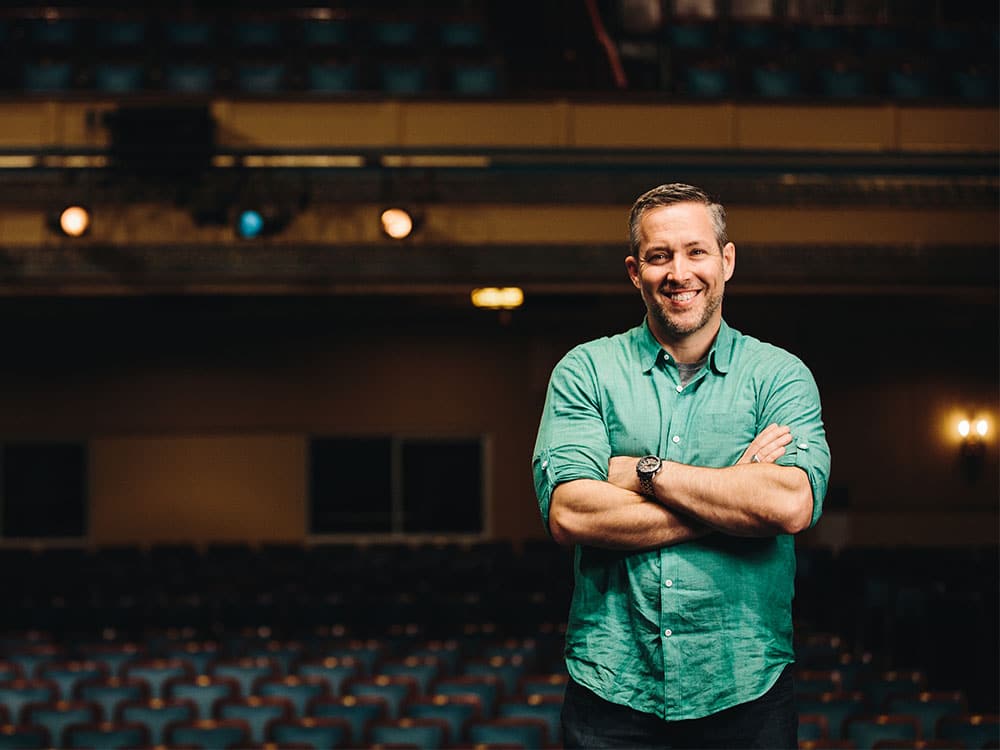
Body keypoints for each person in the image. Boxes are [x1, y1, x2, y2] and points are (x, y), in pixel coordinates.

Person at [531, 183, 830, 749]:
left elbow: (790, 505)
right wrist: (736, 499)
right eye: (658, 256)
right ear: (634, 271)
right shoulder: (585, 371)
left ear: (727, 260)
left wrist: (646, 473)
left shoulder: (780, 376)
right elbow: (571, 514)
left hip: (748, 688)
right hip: (611, 688)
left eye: (696, 251)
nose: (679, 272)